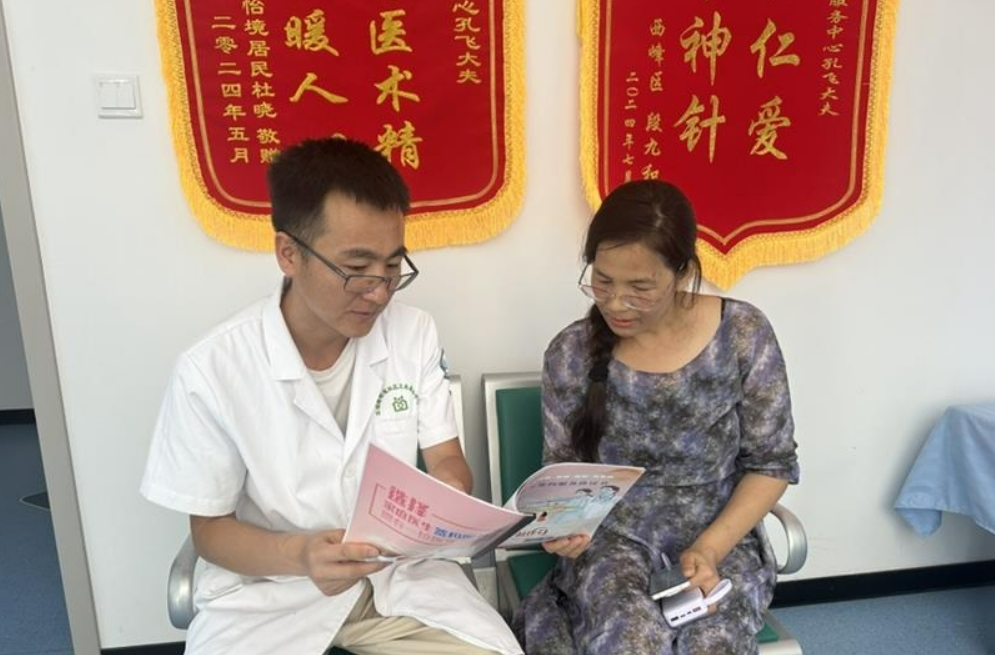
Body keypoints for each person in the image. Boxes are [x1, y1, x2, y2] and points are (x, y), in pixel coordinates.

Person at [141, 137, 522, 655]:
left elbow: (447, 461)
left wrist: (444, 504)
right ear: (288, 253)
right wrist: (300, 555)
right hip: (271, 594)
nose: (379, 292)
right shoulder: (212, 369)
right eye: (356, 269)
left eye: (393, 267)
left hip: (400, 585)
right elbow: (210, 531)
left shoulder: (413, 333)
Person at [513, 180, 799, 654]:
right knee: (629, 640)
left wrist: (710, 548)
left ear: (682, 272)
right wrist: (565, 526)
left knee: (713, 642)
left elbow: (772, 464)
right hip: (611, 541)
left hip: (720, 537)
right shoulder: (571, 352)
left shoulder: (743, 334)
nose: (615, 303)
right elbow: (561, 473)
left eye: (640, 288)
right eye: (603, 281)